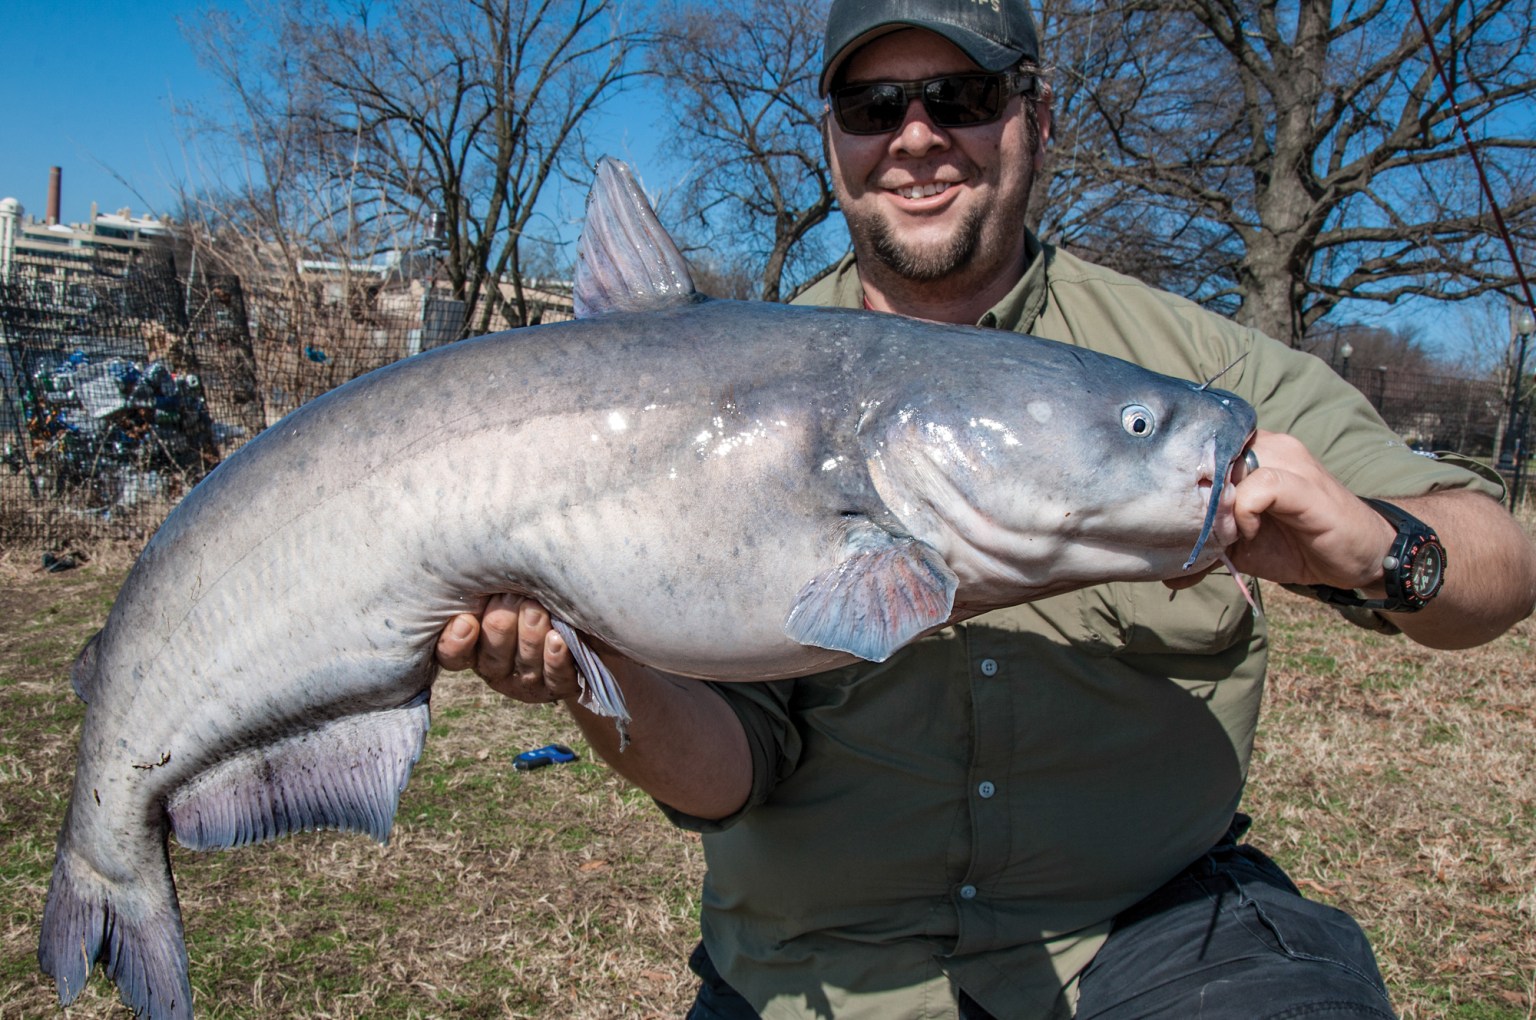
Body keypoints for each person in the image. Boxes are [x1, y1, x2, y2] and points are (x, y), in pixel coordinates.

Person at [437, 0, 1536, 1016]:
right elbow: (726, 777)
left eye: (960, 96)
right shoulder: (728, 403)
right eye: (874, 107)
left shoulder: (1192, 376)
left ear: (1035, 119)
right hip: (820, 964)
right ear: (833, 139)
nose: (916, 137)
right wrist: (597, 669)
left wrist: (1384, 552)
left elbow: (1498, 560)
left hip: (1150, 935)